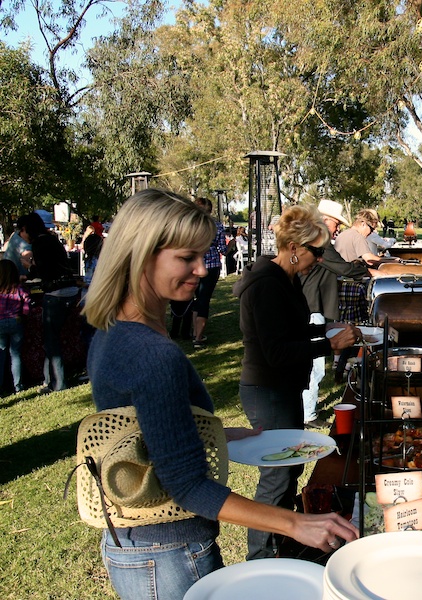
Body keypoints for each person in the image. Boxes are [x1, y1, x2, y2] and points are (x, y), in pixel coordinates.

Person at [82, 190, 358, 600]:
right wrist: (294, 523)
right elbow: (188, 486)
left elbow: (143, 436)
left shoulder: (112, 330)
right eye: (186, 258)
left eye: (204, 255)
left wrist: (218, 434)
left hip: (136, 544)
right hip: (168, 549)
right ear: (141, 254)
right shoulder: (153, 354)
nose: (202, 268)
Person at [233, 203, 361, 560]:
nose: (319, 259)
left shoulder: (284, 280)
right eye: (315, 251)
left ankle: (281, 542)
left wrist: (325, 328)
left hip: (281, 387)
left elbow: (291, 330)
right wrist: (328, 344)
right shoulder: (265, 284)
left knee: (288, 472)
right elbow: (276, 351)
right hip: (267, 389)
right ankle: (260, 557)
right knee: (276, 476)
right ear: (293, 248)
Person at [298, 199, 369, 418]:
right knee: (314, 366)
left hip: (314, 306)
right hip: (312, 307)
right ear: (324, 220)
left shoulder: (318, 241)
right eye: (336, 224)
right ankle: (308, 414)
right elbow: (343, 268)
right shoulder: (321, 242)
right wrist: (371, 271)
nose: (337, 228)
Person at [23, 212, 79, 392]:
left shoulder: (39, 243)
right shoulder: (52, 239)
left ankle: (59, 382)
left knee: (51, 341)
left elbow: (43, 271)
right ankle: (50, 380)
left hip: (55, 294)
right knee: (53, 339)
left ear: (27, 229)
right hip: (70, 290)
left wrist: (29, 267)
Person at [192, 197, 227, 349]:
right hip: (211, 265)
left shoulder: (190, 225)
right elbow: (223, 250)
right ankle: (198, 337)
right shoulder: (217, 226)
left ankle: (194, 332)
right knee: (204, 300)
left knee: (195, 298)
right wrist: (231, 244)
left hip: (192, 264)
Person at [0, 259, 30, 393]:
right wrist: (23, 315)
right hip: (16, 321)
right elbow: (27, 303)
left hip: (0, 322)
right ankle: (18, 385)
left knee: (1, 355)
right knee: (15, 354)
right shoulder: (19, 288)